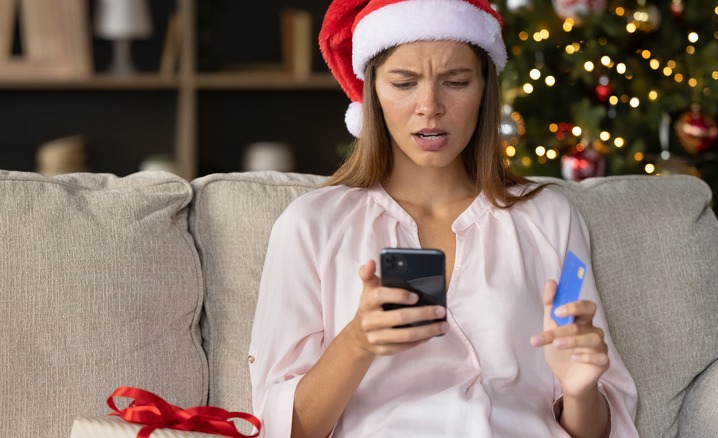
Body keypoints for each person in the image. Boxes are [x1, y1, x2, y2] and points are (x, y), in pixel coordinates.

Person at [248, 0, 639, 436]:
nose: (429, 106)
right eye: (404, 83)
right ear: (372, 92)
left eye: (455, 82)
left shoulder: (549, 217)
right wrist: (357, 342)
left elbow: (598, 428)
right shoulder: (311, 225)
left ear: (484, 90)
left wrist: (582, 392)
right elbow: (279, 427)